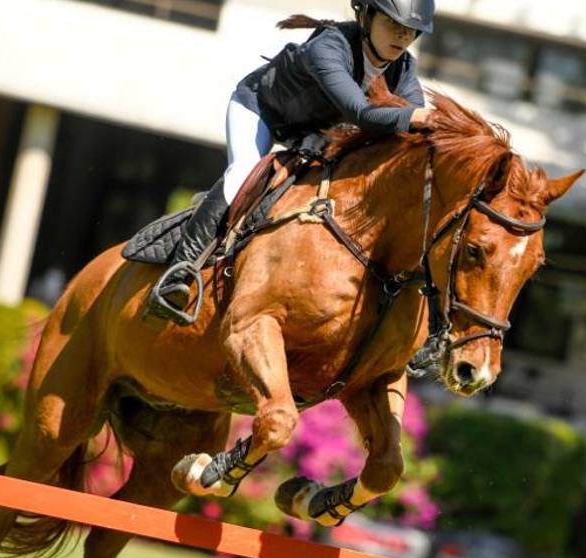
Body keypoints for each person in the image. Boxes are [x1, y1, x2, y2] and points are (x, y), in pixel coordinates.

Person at [149, 0, 436, 324]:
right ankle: (178, 272)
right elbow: (361, 113)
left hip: (313, 136)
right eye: (393, 24)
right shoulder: (330, 46)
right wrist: (419, 116)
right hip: (262, 110)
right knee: (244, 173)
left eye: (410, 30)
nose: (402, 36)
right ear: (366, 16)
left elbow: (409, 131)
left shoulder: (403, 69)